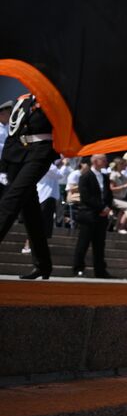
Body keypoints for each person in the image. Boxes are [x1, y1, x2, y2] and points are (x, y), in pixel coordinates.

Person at [0, 91, 60, 279]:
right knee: (30, 212)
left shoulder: (57, 98)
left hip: (40, 152)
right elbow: (13, 131)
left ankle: (42, 264)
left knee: (11, 200)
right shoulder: (22, 100)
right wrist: (4, 164)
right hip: (17, 154)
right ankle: (43, 264)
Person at [72, 153, 114, 277]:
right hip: (88, 214)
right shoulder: (85, 176)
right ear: (95, 161)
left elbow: (108, 195)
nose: (106, 162)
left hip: (102, 215)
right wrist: (102, 207)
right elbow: (86, 197)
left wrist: (107, 207)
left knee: (100, 244)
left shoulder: (105, 177)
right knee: (83, 243)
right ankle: (78, 268)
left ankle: (100, 270)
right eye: (103, 160)